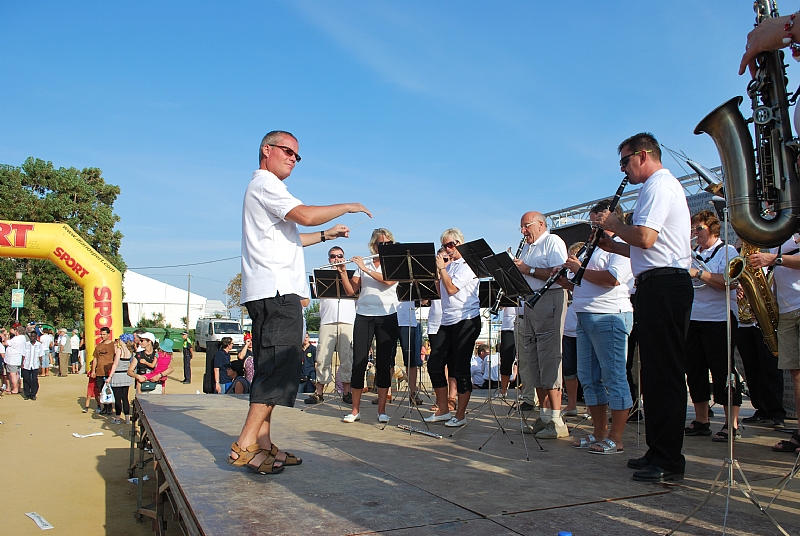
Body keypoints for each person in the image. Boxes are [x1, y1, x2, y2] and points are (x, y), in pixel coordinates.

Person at [227, 129, 370, 475]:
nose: (293, 158)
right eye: (288, 151)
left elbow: (292, 237)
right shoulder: (266, 184)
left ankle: (262, 446)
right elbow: (304, 214)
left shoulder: (264, 188)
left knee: (271, 368)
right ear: (267, 150)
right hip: (276, 294)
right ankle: (245, 443)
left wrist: (325, 235)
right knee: (280, 368)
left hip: (269, 292)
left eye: (297, 155)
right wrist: (347, 206)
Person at [594, 132, 692, 482]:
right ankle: (657, 449)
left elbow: (646, 238)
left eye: (625, 161)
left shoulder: (659, 185)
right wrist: (613, 244)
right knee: (653, 372)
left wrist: (615, 225)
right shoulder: (654, 187)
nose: (623, 169)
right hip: (655, 283)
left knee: (664, 373)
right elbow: (647, 248)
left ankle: (669, 459)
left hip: (665, 284)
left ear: (644, 155)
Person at [560, 201, 634, 455]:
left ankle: (617, 438)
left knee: (613, 377)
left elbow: (612, 279)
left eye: (597, 223)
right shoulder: (593, 248)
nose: (593, 228)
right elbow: (583, 284)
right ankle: (600, 432)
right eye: (592, 223)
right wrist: (565, 281)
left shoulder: (621, 246)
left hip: (609, 315)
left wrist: (579, 269)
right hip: (585, 315)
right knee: (589, 378)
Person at [682, 210, 742, 443]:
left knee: (722, 370)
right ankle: (701, 420)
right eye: (693, 229)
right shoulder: (691, 253)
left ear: (713, 229)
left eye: (699, 228)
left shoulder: (727, 251)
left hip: (720, 318)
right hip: (694, 317)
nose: (695, 233)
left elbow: (729, 282)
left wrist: (699, 273)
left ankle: (731, 423)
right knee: (695, 370)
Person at [514, 211, 569, 439]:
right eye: (521, 227)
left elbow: (560, 274)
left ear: (540, 224)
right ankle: (545, 417)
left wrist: (528, 269)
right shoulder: (529, 247)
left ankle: (556, 420)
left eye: (526, 226)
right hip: (531, 301)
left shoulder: (552, 241)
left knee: (548, 356)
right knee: (534, 357)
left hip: (549, 299)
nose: (523, 231)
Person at [340, 228, 399, 424]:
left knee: (383, 363)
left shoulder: (394, 262)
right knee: (359, 361)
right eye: (382, 244)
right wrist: (343, 273)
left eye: (389, 243)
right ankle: (355, 410)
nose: (386, 246)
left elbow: (388, 281)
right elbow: (351, 291)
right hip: (364, 315)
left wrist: (365, 269)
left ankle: (381, 410)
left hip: (387, 316)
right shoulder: (364, 262)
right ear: (374, 245)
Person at [749, 234, 800, 453]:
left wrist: (775, 259)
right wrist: (764, 302)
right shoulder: (779, 234)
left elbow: (780, 262)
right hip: (787, 310)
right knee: (796, 373)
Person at [425, 228, 481, 427]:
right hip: (447, 320)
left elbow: (451, 289)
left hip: (466, 319)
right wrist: (438, 271)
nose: (448, 249)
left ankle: (460, 414)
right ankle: (443, 410)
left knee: (460, 368)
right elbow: (441, 292)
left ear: (460, 243)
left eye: (451, 244)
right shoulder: (449, 267)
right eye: (444, 245)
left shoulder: (468, 265)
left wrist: (442, 269)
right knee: (434, 364)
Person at [305, 246, 356, 405]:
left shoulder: (352, 276)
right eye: (333, 256)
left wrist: (343, 273)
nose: (336, 259)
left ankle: (347, 392)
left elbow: (356, 294)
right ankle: (319, 392)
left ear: (344, 257)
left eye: (339, 256)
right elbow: (315, 293)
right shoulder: (321, 274)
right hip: (327, 321)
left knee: (347, 358)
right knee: (322, 357)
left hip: (347, 321)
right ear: (329, 259)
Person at [106, 334, 135, 424]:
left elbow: (115, 364)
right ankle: (127, 418)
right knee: (125, 398)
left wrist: (110, 376)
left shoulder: (120, 350)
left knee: (117, 399)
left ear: (123, 340)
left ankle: (118, 418)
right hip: (126, 375)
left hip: (117, 376)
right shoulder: (130, 351)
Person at [91, 326, 117, 415]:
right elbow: (95, 358)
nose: (102, 336)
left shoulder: (113, 345)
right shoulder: (98, 346)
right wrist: (93, 371)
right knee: (101, 390)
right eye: (101, 334)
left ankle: (110, 408)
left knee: (109, 390)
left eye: (104, 334)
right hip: (99, 371)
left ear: (109, 334)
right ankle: (104, 407)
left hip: (109, 372)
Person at [22, 331, 44, 400]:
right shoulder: (26, 344)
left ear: (36, 337)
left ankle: (33, 394)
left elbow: (40, 355)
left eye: (33, 336)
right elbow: (23, 354)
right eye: (31, 336)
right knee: (26, 379)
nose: (32, 337)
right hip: (27, 364)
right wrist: (22, 363)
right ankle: (27, 394)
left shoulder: (39, 345)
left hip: (35, 364)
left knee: (34, 379)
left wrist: (40, 365)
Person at [4, 325, 26, 394]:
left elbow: (5, 343)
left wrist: (6, 336)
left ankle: (15, 389)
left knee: (12, 375)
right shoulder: (23, 338)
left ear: (17, 331)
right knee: (17, 374)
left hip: (12, 359)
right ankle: (18, 388)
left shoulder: (16, 339)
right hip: (18, 358)